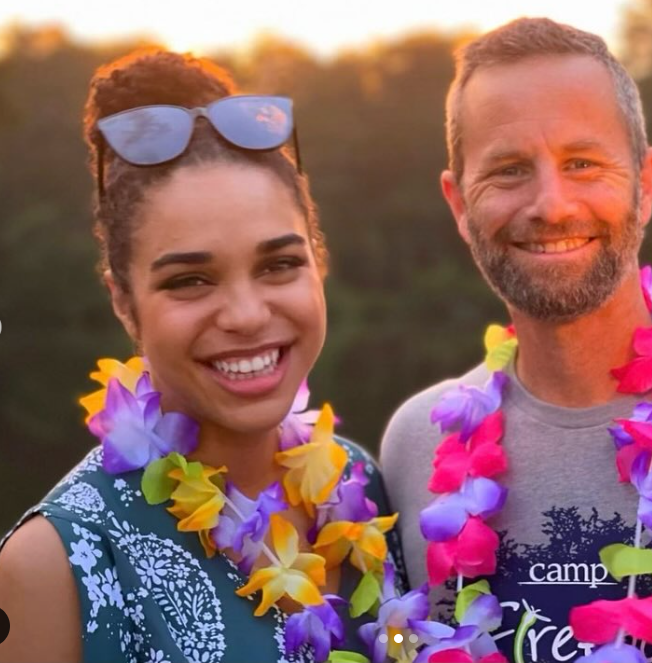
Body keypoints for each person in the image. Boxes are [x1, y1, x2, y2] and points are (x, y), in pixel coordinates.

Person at [380, 17, 652, 663]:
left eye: (582, 162)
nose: (551, 204)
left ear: (646, 181)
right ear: (459, 205)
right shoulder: (416, 444)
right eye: (509, 170)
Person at [0, 49, 404, 663]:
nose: (245, 314)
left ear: (318, 264)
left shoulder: (361, 485)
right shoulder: (53, 565)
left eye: (278, 265)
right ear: (124, 301)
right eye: (190, 280)